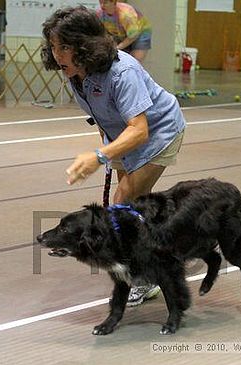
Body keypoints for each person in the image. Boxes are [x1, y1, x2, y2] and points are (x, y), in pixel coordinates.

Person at [41, 6, 186, 306]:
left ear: (83, 45)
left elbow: (140, 130)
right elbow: (103, 118)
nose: (57, 54)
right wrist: (109, 153)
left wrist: (99, 157)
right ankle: (160, 251)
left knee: (123, 205)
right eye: (54, 46)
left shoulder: (123, 72)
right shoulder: (76, 73)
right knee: (133, 206)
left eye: (64, 47)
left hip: (160, 131)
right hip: (122, 137)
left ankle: (148, 278)